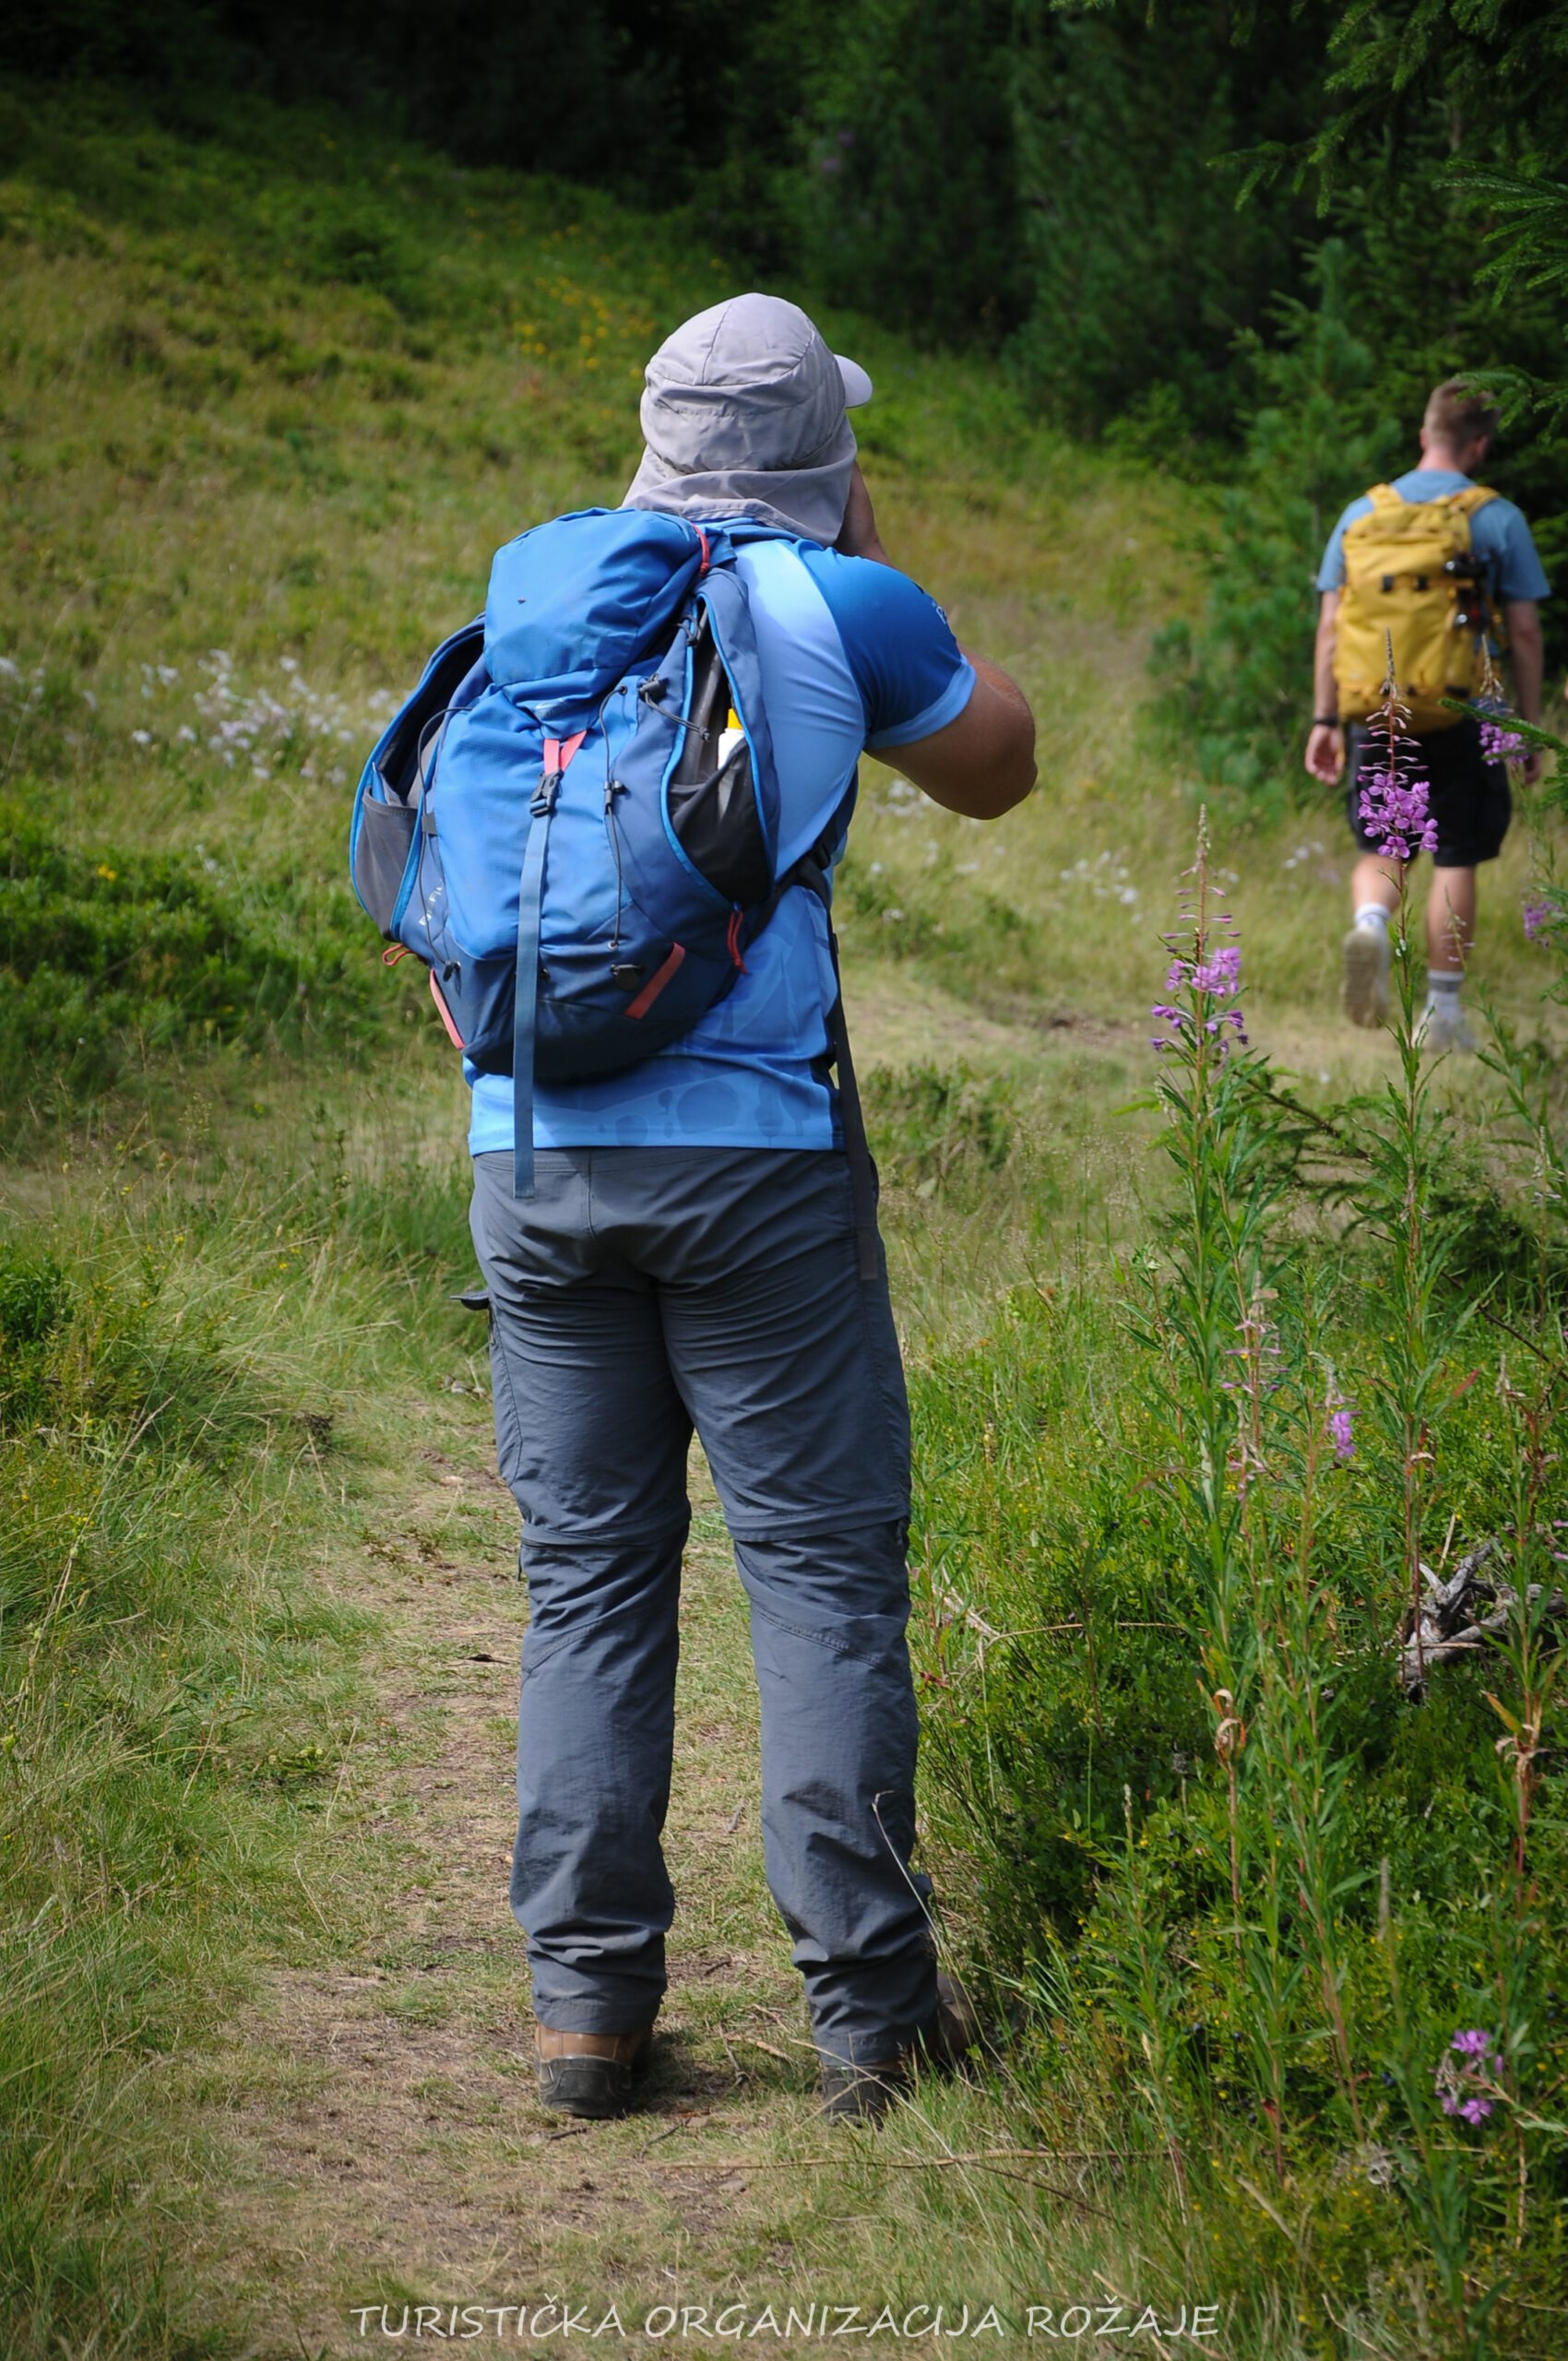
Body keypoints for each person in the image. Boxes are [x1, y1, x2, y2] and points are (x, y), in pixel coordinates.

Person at [463, 294, 1036, 2122]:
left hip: (529, 1150)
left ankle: (585, 2013)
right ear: (822, 450)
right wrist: (861, 555)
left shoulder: (538, 600)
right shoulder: (835, 600)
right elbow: (1001, 764)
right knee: (815, 1569)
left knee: (585, 1578)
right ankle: (873, 2020)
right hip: (759, 1162)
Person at [1305, 379, 1550, 1050]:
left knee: (1382, 845)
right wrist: (1528, 728)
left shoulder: (1361, 514)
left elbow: (1330, 628)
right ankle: (1442, 1016)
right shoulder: (1497, 518)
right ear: (1480, 444)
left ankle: (1371, 925)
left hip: (1375, 707)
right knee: (1456, 858)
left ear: (1424, 434)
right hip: (1466, 707)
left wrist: (1325, 719)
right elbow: (1525, 634)